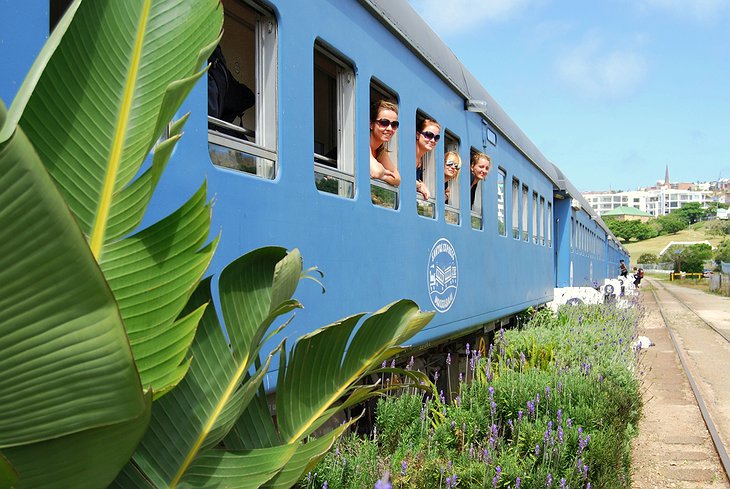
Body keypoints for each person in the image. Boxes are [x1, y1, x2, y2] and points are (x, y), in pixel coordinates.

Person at [370, 100, 401, 186]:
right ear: (371, 124)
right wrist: (383, 172)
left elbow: (397, 179)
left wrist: (382, 175)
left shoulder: (380, 150)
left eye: (394, 124)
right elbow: (376, 172)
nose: (390, 128)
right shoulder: (363, 143)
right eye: (384, 122)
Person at [415, 118, 441, 200]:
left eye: (436, 137)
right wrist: (419, 185)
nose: (433, 140)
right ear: (418, 135)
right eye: (429, 135)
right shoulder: (409, 156)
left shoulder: (421, 161)